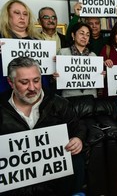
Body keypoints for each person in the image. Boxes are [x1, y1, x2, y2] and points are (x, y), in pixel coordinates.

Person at [0, 56, 86, 195]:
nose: (32, 88)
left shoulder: (58, 103)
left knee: (76, 160)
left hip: (55, 181)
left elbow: (78, 125)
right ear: (11, 83)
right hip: (16, 184)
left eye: (36, 80)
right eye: (24, 82)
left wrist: (78, 138)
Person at [0, 0, 51, 94]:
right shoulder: (1, 40)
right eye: (17, 13)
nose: (22, 17)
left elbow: (45, 73)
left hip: (38, 94)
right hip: (7, 94)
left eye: (25, 14)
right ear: (7, 16)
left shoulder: (39, 40)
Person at [57, 22, 98, 98]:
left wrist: (101, 75)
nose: (84, 37)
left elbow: (96, 79)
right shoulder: (63, 53)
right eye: (81, 33)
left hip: (90, 96)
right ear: (73, 35)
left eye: (87, 35)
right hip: (69, 96)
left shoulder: (93, 56)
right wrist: (56, 77)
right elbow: (56, 79)